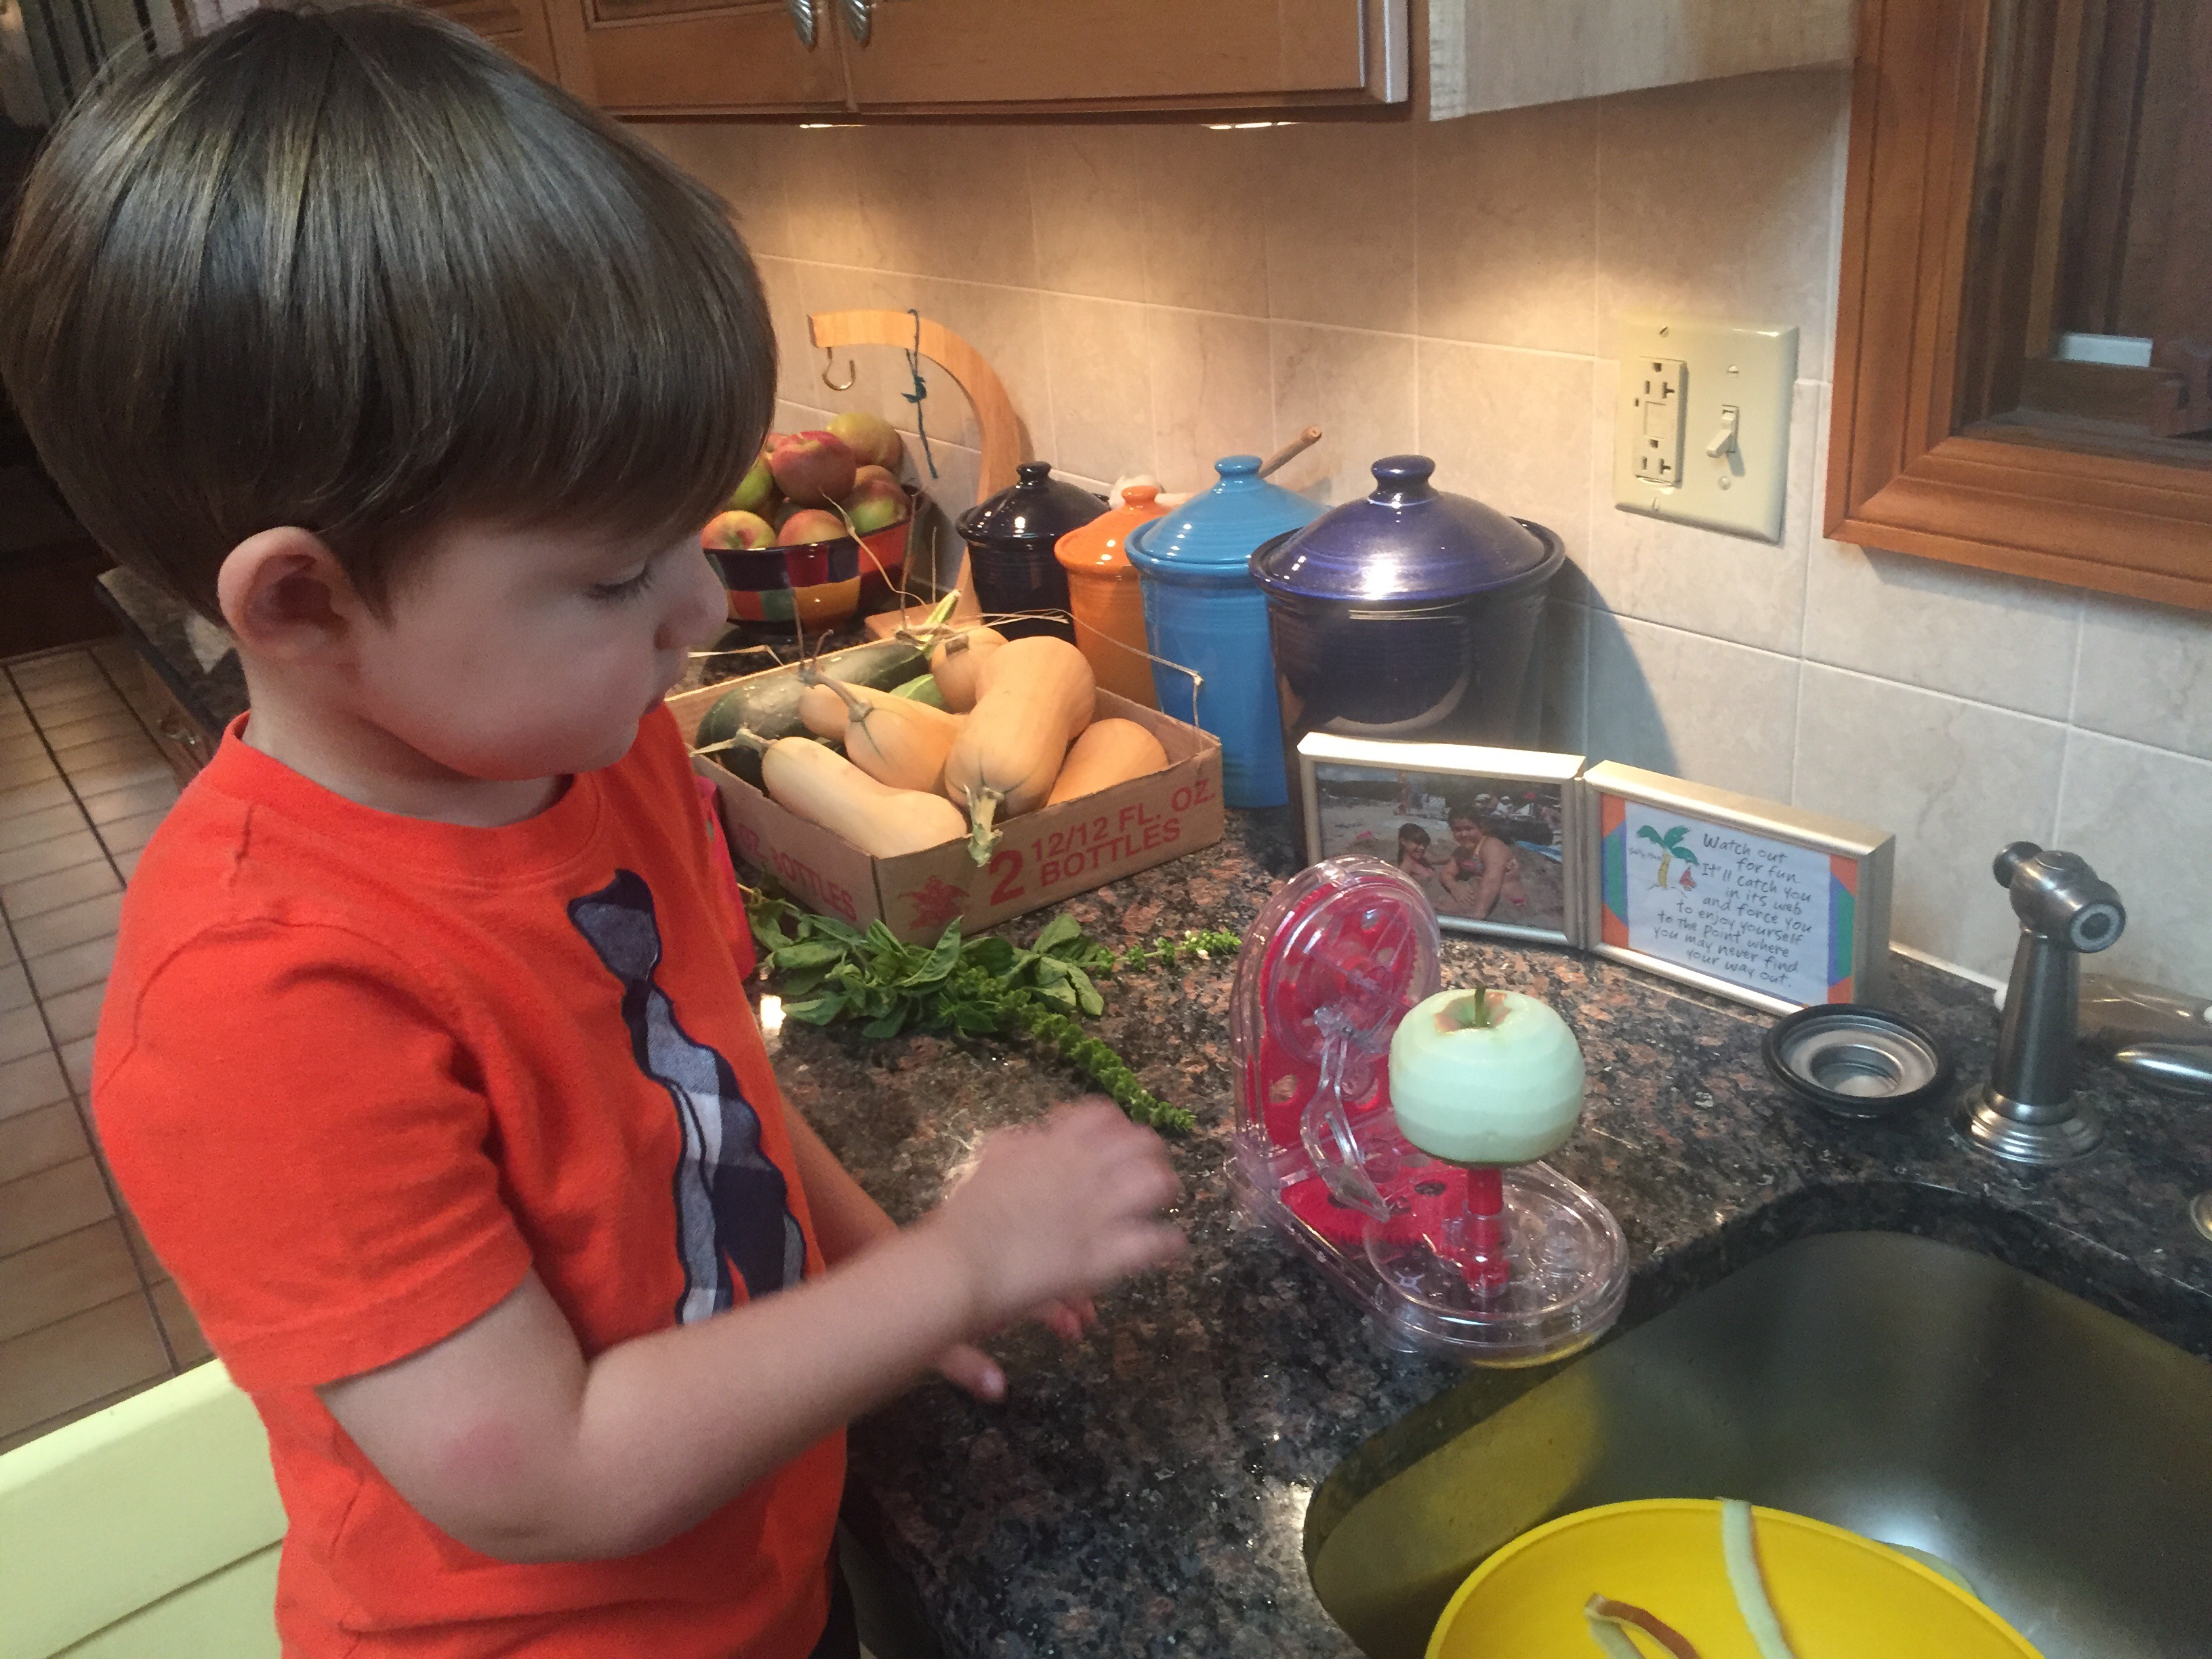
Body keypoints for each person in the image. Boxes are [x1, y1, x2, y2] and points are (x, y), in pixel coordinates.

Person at [0, 9, 1184, 1658]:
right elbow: (539, 1474)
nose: (698, 611)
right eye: (617, 576)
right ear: (302, 603)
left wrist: (887, 1271)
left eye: (686, 536)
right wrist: (948, 1273)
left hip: (764, 1585)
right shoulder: (258, 996)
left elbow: (714, 1086)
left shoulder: (604, 755)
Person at [1437, 804, 1528, 920]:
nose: (1464, 834)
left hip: (1509, 904)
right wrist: (1455, 888)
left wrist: (1479, 913)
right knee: (1440, 906)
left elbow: (1492, 880)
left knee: (1444, 908)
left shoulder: (1492, 846)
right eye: (1458, 830)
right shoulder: (1462, 851)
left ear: (1481, 828)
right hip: (1483, 898)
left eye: (1469, 829)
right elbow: (1446, 873)